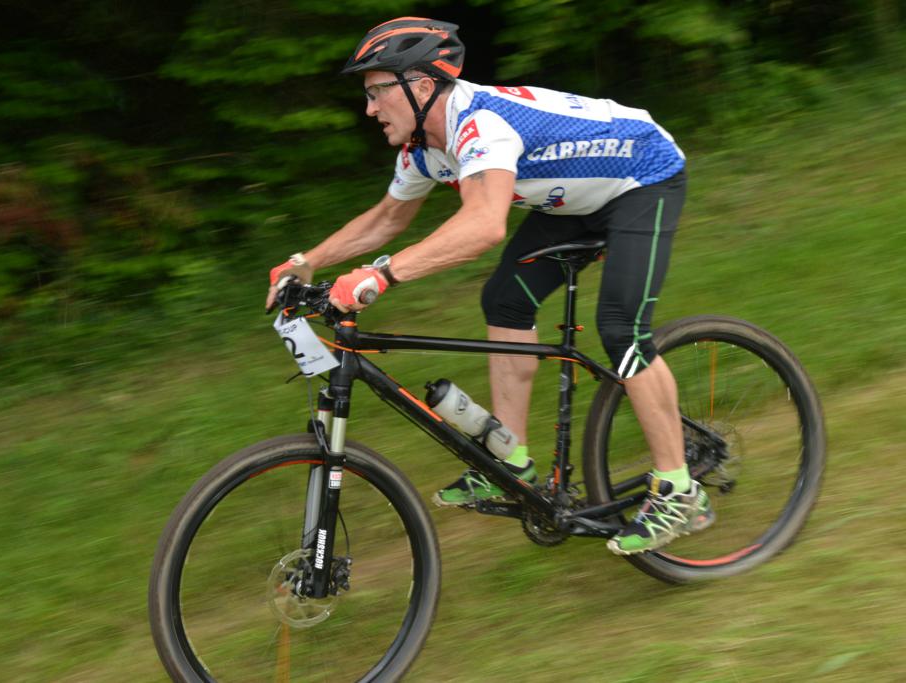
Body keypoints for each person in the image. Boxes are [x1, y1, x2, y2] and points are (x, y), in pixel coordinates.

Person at [265, 17, 713, 555]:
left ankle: (679, 490)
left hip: (643, 178)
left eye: (377, 91)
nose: (369, 108)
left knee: (620, 327)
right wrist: (306, 262)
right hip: (573, 200)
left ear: (421, 86)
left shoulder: (481, 125)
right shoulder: (425, 148)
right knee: (504, 300)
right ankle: (511, 461)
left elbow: (483, 225)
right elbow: (387, 219)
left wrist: (380, 275)